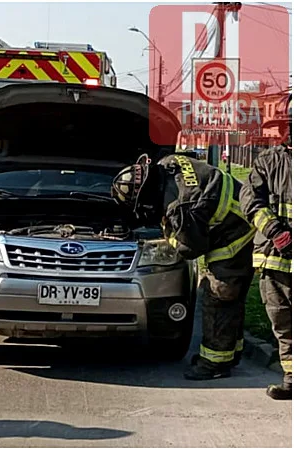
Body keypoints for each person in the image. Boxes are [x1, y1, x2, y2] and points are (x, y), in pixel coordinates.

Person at [112, 153, 255, 380]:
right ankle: (231, 354)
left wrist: (167, 233)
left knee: (218, 296)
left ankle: (214, 364)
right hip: (241, 212)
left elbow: (191, 249)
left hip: (236, 236)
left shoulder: (179, 207)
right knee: (232, 299)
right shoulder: (169, 162)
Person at [240, 118, 292, 400]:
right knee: (282, 320)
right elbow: (250, 200)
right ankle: (291, 378)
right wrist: (275, 231)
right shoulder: (267, 162)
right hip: (276, 258)